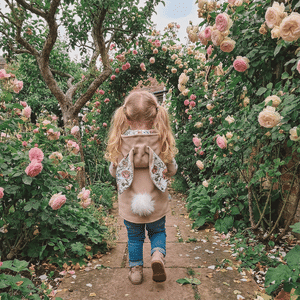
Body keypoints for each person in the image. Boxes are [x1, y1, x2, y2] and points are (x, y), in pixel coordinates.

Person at [105, 91, 178, 285]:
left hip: (130, 203)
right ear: (155, 116)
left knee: (134, 237)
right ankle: (157, 255)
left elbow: (114, 172)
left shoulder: (120, 141)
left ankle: (136, 270)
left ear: (126, 118)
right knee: (158, 232)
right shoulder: (161, 139)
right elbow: (171, 169)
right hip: (157, 201)